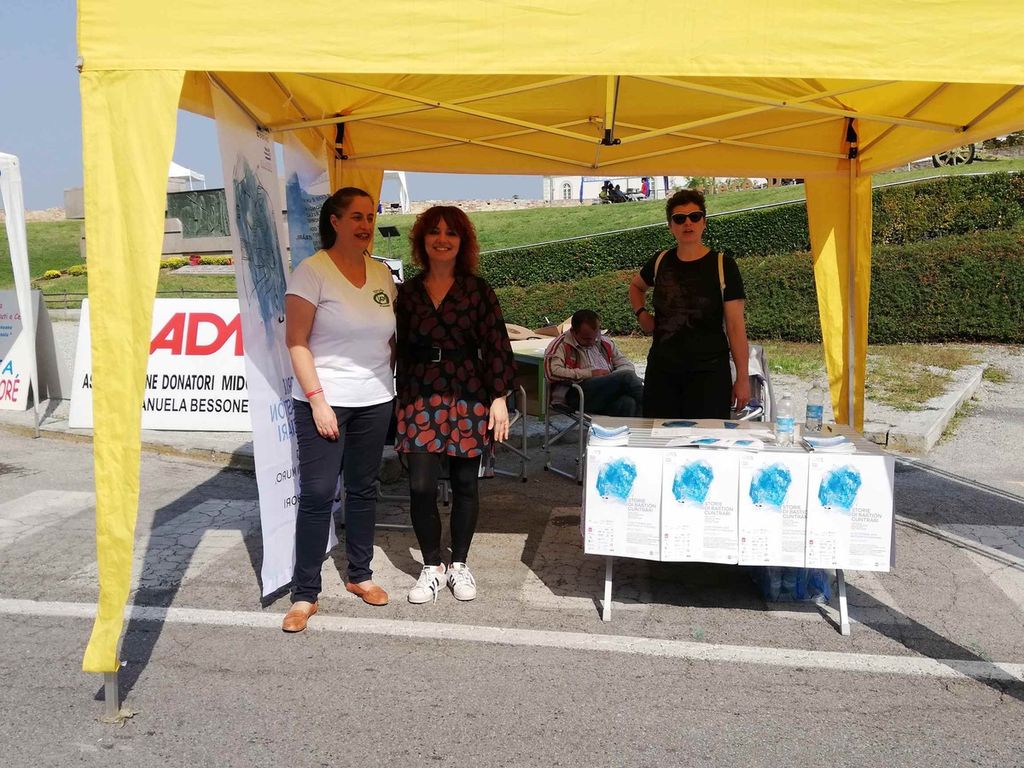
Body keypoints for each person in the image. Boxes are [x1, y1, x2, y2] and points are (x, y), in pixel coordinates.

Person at [281, 187, 397, 632]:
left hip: (375, 400)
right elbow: (296, 342)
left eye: (370, 217)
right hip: (324, 401)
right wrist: (318, 401)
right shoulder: (312, 272)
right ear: (335, 221)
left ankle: (360, 575)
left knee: (364, 489)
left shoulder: (381, 273)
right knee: (317, 494)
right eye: (356, 217)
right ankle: (305, 594)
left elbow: (389, 338)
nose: (366, 225)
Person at [395, 205, 516, 604]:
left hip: (468, 390)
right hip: (420, 393)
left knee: (466, 483)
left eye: (451, 233)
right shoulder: (407, 293)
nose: (442, 239)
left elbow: (497, 344)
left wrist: (499, 397)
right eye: (434, 231)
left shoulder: (478, 290)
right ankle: (432, 565)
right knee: (420, 485)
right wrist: (398, 399)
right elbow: (397, 346)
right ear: (422, 240)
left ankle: (459, 563)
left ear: (463, 241)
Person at [628, 188, 750, 419]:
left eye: (695, 216)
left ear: (704, 222)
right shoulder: (660, 260)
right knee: (659, 436)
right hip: (663, 372)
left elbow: (736, 327)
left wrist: (742, 378)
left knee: (707, 439)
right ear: (670, 226)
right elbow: (636, 287)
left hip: (709, 373)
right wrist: (641, 313)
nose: (688, 223)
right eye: (679, 218)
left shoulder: (724, 265)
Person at [544, 309, 644, 417]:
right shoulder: (561, 344)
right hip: (577, 393)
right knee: (627, 376)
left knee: (628, 403)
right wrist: (590, 373)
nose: (592, 342)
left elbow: (626, 364)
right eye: (586, 339)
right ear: (573, 332)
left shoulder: (603, 342)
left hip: (604, 391)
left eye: (595, 337)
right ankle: (653, 407)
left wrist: (612, 377)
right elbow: (551, 372)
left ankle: (646, 424)